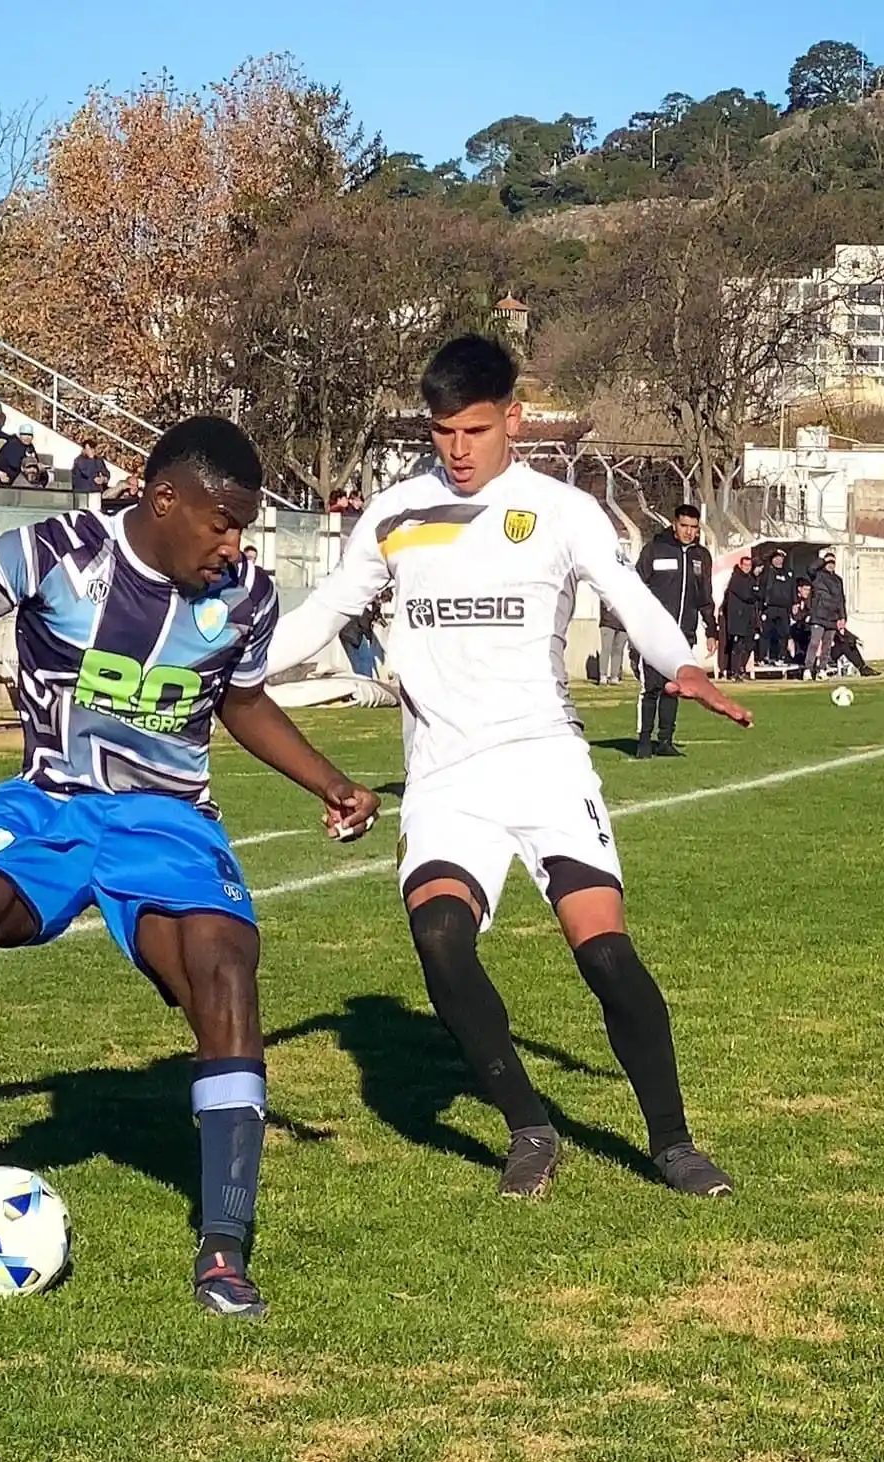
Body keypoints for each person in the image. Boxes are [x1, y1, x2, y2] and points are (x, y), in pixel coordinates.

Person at [0, 416, 379, 1319]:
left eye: (243, 527)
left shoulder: (245, 595)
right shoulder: (49, 553)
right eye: (223, 522)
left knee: (226, 977)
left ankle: (223, 1251)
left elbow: (242, 703)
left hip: (168, 823)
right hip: (49, 806)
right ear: (166, 500)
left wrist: (332, 781)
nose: (235, 544)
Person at [266, 334, 751, 1201]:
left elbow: (623, 590)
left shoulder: (561, 510)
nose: (457, 450)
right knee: (440, 940)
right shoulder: (396, 513)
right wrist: (234, 668)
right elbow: (327, 611)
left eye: (475, 430)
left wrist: (677, 660)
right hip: (447, 777)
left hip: (545, 765)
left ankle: (673, 1144)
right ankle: (530, 1127)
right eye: (442, 431)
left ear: (513, 419)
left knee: (603, 955)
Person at [634, 505, 717, 758]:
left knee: (674, 687)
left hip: (683, 635)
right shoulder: (655, 549)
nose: (689, 532)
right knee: (651, 687)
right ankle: (644, 740)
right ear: (674, 524)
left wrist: (711, 629)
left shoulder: (701, 556)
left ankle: (665, 740)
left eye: (693, 527)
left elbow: (705, 596)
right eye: (684, 526)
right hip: (653, 634)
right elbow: (635, 586)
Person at [805, 553, 846, 679]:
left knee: (827, 645)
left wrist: (842, 617)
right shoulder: (817, 575)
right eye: (828, 563)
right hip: (819, 614)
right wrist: (822, 560)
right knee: (814, 643)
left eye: (833, 563)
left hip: (832, 616)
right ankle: (808, 669)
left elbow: (841, 600)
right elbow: (810, 569)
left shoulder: (838, 580)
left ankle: (822, 669)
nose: (831, 566)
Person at [722, 556, 758, 681]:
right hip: (737, 617)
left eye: (749, 565)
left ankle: (740, 669)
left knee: (746, 645)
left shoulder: (750, 579)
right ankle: (734, 672)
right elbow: (747, 595)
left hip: (747, 618)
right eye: (745, 565)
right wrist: (754, 594)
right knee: (736, 646)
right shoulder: (736, 579)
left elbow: (756, 594)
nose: (747, 568)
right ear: (741, 565)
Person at [759, 547, 795, 664]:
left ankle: (781, 657)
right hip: (770, 607)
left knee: (783, 634)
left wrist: (794, 603)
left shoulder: (788, 573)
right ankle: (763, 657)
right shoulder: (768, 571)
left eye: (781, 558)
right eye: (776, 558)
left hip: (784, 608)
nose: (779, 561)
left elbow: (792, 589)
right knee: (766, 633)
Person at [598, 598, 627, 684]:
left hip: (623, 624)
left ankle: (614, 676)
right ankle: (603, 676)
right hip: (608, 622)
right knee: (606, 649)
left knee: (618, 651)